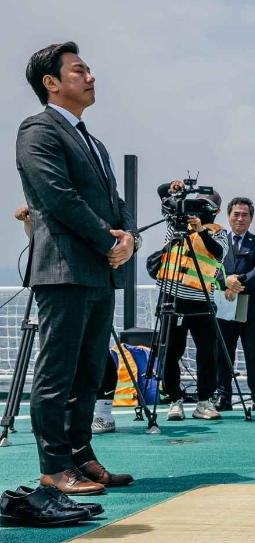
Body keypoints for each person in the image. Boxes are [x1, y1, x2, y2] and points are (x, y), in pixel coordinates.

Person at [15, 41, 138, 495]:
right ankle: (54, 466)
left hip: (100, 270)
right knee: (57, 372)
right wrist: (110, 241)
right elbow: (58, 197)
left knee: (88, 372)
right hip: (64, 269)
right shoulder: (38, 130)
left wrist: (130, 238)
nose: (91, 77)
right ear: (50, 82)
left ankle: (81, 456)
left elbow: (116, 202)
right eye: (79, 70)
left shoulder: (94, 142)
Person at [15, 206, 119, 436]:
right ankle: (53, 429)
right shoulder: (47, 198)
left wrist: (124, 241)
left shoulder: (88, 202)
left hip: (93, 278)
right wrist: (29, 221)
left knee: (95, 356)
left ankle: (101, 415)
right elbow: (40, 237)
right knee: (58, 361)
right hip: (59, 280)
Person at [152, 181, 229, 421]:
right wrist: (173, 187)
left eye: (204, 206)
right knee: (170, 351)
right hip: (171, 297)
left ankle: (204, 401)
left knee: (207, 352)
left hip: (200, 300)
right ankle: (174, 400)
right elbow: (162, 193)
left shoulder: (218, 232)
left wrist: (201, 230)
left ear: (215, 211)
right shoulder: (175, 224)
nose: (198, 210)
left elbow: (218, 253)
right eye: (195, 204)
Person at [214, 197, 255, 412]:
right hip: (225, 305)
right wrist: (224, 282)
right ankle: (223, 396)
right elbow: (211, 268)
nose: (240, 218)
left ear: (251, 218)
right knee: (223, 353)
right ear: (228, 216)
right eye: (236, 214)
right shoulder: (218, 243)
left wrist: (236, 284)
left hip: (252, 307)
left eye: (245, 215)